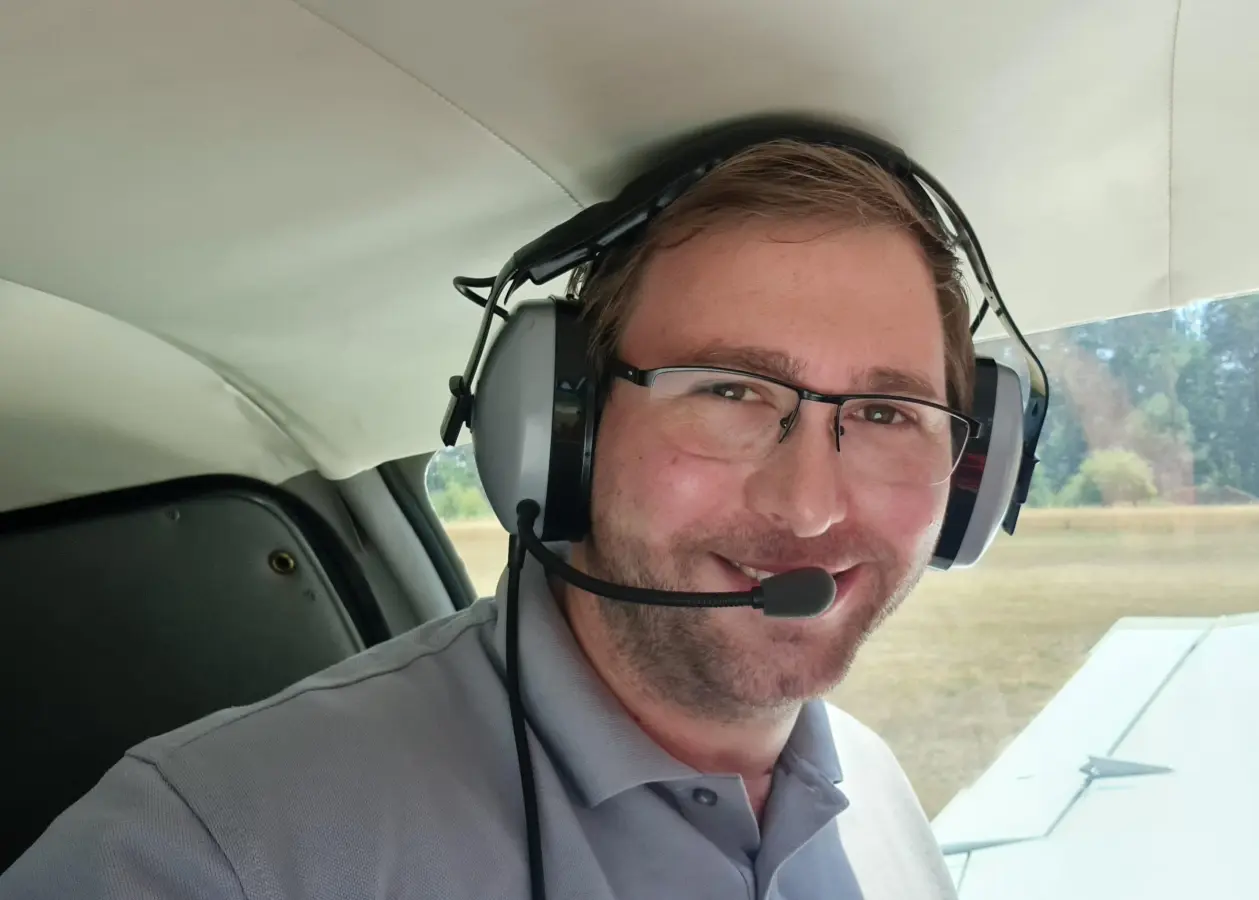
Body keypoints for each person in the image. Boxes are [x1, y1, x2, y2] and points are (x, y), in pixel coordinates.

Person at [0, 138, 973, 899]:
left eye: (888, 415)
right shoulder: (219, 852)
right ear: (560, 432)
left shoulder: (878, 800)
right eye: (728, 392)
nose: (806, 508)